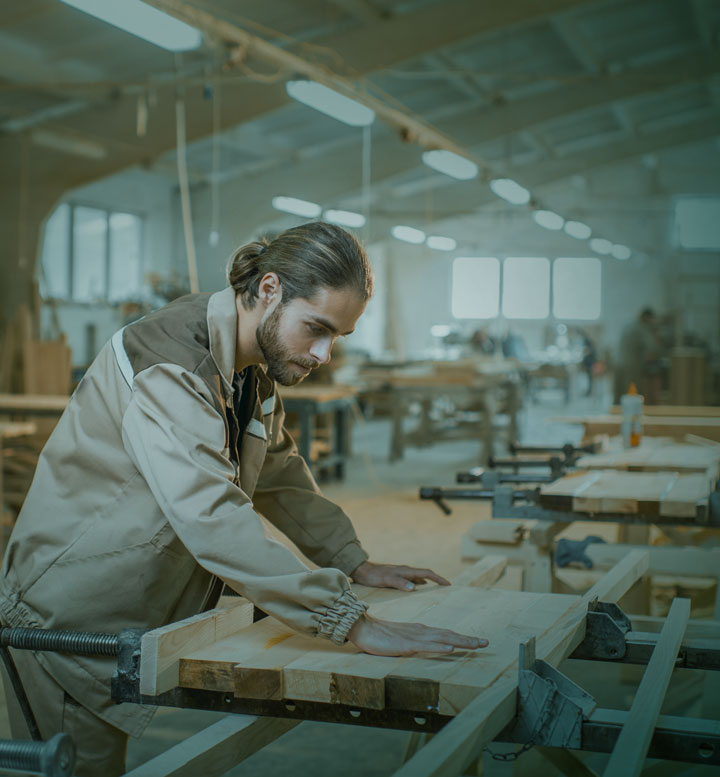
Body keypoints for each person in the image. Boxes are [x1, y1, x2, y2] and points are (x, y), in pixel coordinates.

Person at [0, 222, 487, 776]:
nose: (325, 354)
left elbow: (279, 472)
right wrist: (347, 619)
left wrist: (354, 560)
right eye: (318, 329)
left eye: (338, 337)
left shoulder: (249, 365)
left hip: (129, 600)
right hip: (63, 613)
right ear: (270, 290)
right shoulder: (172, 366)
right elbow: (211, 516)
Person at [614, 307, 659, 400]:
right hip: (631, 366)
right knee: (631, 395)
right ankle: (629, 414)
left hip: (618, 363)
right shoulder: (642, 328)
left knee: (618, 393)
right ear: (647, 318)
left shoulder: (628, 325)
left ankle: (616, 412)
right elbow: (652, 347)